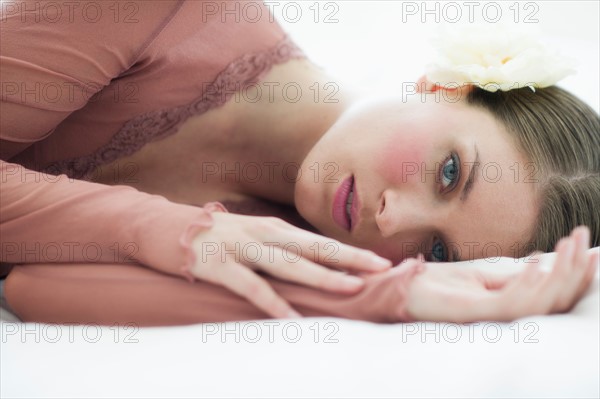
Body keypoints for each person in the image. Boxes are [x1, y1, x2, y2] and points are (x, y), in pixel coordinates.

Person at [1, 0, 598, 326]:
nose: (392, 223)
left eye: (435, 252)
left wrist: (391, 297)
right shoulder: (166, 9)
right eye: (448, 174)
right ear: (447, 85)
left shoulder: (293, 245)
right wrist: (170, 232)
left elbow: (36, 287)